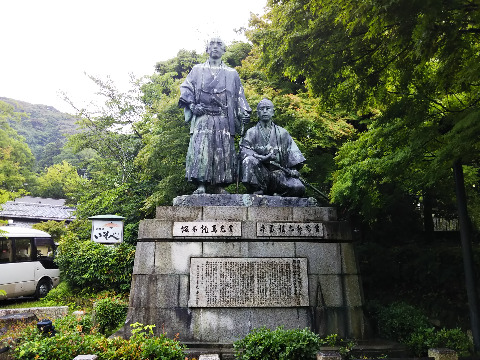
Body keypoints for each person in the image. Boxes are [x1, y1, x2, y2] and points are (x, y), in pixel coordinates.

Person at [178, 37, 251, 194]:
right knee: (201, 148)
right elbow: (186, 88)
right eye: (212, 44)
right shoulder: (197, 70)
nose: (215, 47)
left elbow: (239, 96)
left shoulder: (232, 74)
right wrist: (192, 105)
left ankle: (220, 185)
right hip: (203, 115)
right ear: (207, 49)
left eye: (219, 44)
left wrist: (244, 111)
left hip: (223, 117)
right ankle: (201, 185)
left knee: (223, 150)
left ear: (224, 50)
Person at [240, 98, 306, 197]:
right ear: (258, 113)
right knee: (248, 160)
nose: (265, 111)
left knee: (299, 188)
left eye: (268, 108)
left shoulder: (283, 133)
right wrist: (261, 158)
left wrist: (293, 169)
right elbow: (244, 151)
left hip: (279, 174)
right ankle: (257, 189)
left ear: (273, 112)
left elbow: (294, 155)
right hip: (260, 174)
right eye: (262, 109)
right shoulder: (251, 132)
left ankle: (278, 194)